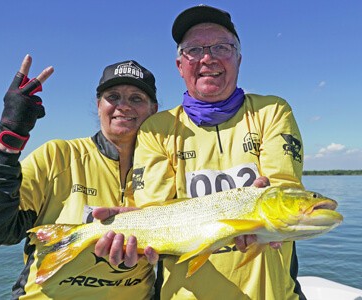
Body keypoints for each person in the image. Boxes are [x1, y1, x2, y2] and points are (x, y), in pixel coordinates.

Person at [95, 4, 306, 300]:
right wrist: (131, 239)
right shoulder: (156, 127)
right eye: (194, 50)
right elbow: (154, 212)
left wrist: (267, 206)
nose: (208, 57)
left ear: (239, 59)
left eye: (222, 46)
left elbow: (285, 187)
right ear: (180, 66)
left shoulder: (272, 111)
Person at [0, 55, 159, 299]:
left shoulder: (164, 168)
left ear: (154, 110)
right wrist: (9, 137)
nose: (124, 105)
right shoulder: (57, 156)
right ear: (99, 105)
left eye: (137, 98)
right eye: (113, 97)